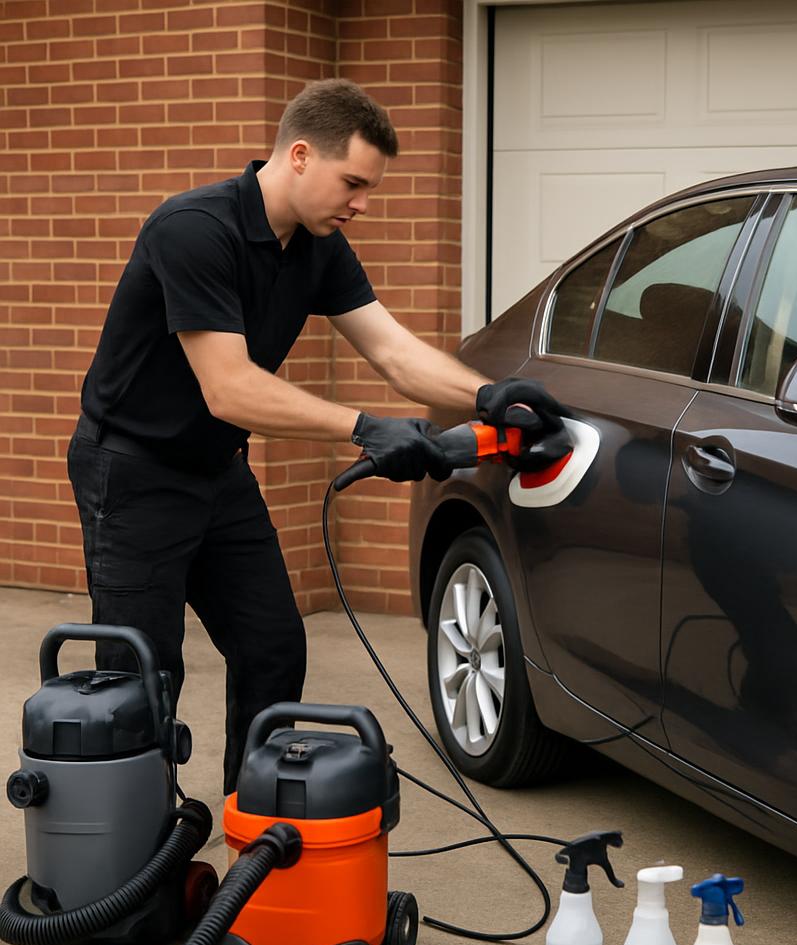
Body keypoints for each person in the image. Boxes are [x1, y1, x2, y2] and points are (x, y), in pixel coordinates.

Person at [67, 78, 568, 793]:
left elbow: (393, 352)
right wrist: (364, 429)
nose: (362, 203)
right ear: (300, 155)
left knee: (271, 645)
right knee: (143, 675)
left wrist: (487, 398)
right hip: (132, 469)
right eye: (353, 183)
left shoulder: (316, 244)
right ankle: (135, 872)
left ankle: (257, 822)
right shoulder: (193, 229)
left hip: (216, 467)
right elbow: (230, 387)